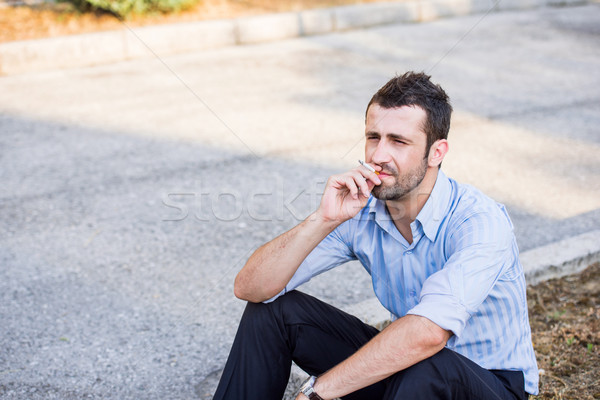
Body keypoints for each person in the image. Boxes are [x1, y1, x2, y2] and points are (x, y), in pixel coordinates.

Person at [213, 71, 539, 400]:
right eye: (373, 137)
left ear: (437, 152)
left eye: (398, 141)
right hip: (410, 373)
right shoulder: (361, 208)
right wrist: (324, 218)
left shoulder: (480, 221)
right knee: (272, 312)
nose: (378, 156)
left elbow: (428, 334)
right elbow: (250, 288)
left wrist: (316, 392)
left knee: (430, 365)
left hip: (490, 384)